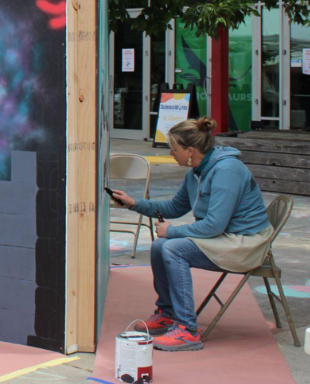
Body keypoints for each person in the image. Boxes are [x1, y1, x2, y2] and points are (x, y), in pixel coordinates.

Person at [111, 117, 272, 352]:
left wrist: (173, 231)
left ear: (190, 151)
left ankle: (187, 330)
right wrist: (134, 203)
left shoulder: (227, 170)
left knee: (173, 247)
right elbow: (174, 208)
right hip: (226, 238)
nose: (171, 154)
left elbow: (214, 225)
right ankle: (167, 314)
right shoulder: (197, 171)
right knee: (160, 245)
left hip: (246, 243)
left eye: (173, 149)